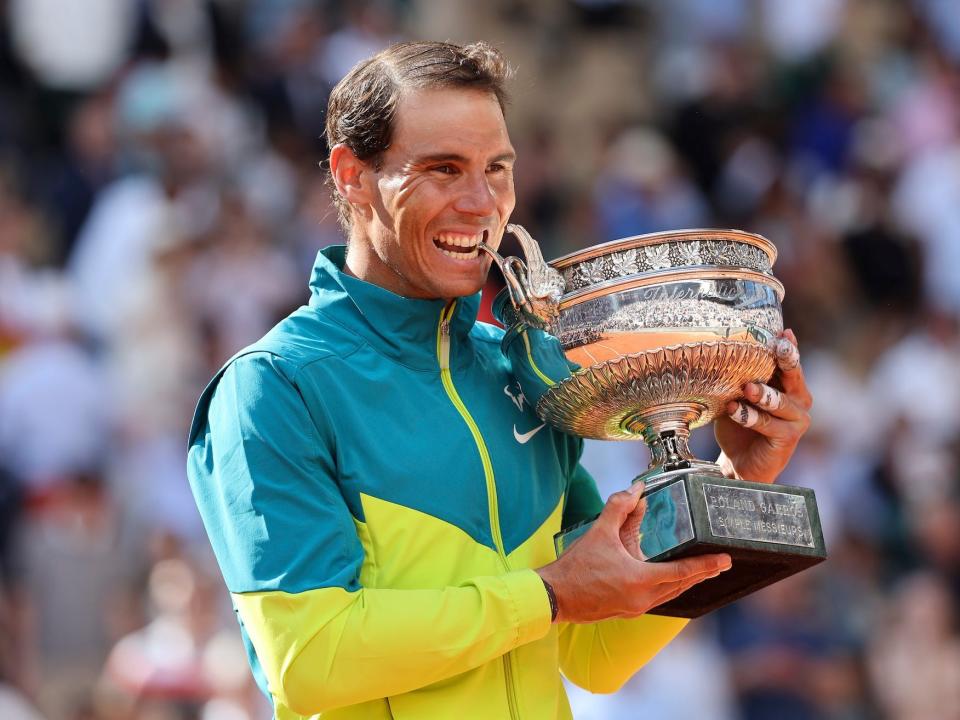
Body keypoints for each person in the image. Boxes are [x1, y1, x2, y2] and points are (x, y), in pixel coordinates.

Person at [186, 40, 813, 719]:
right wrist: (544, 596)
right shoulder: (275, 389)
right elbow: (307, 658)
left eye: (497, 169)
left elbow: (593, 654)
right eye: (443, 169)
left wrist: (735, 483)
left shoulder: (522, 369)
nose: (482, 203)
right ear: (352, 177)